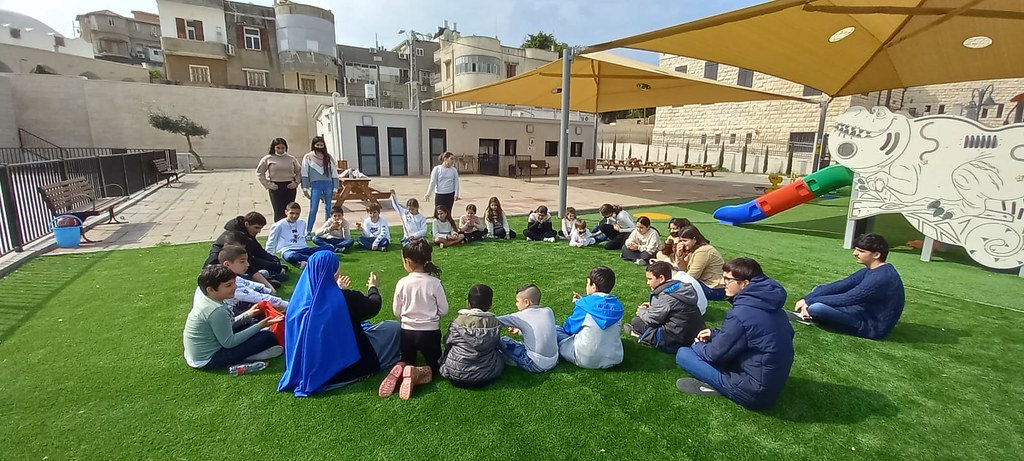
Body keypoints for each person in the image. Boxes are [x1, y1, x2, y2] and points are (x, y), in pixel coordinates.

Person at [675, 258, 794, 410]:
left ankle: (721, 387)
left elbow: (713, 355)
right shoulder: (772, 306)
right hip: (771, 382)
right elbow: (750, 336)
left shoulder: (741, 314)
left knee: (684, 354)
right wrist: (714, 334)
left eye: (727, 279)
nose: (722, 282)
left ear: (744, 284)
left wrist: (696, 344)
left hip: (754, 392)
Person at [277, 251, 402, 397]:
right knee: (393, 328)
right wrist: (373, 287)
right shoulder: (345, 299)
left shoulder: (296, 304)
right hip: (348, 366)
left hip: (308, 367)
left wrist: (338, 290)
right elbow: (373, 305)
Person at [793, 233, 905, 340]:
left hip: (870, 326)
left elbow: (848, 298)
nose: (855, 253)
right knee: (820, 288)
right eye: (856, 249)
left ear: (876, 255)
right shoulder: (872, 270)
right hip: (857, 309)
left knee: (816, 308)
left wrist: (809, 302)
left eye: (861, 251)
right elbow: (841, 285)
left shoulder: (881, 278)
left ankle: (811, 313)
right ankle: (811, 311)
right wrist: (806, 299)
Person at [183, 265, 283, 371]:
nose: (235, 287)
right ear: (211, 290)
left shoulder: (209, 301)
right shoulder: (216, 310)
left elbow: (227, 324)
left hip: (206, 350)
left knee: (251, 321)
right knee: (268, 337)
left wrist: (248, 314)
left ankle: (250, 353)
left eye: (234, 282)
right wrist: (260, 326)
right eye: (228, 285)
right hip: (209, 359)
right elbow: (229, 342)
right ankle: (250, 356)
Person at [385, 239, 448, 399]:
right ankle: (415, 372)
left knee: (408, 359)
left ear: (407, 262)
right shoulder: (435, 283)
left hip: (407, 332)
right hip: (429, 333)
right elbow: (444, 310)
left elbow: (396, 311)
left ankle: (402, 366)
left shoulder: (402, 283)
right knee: (436, 366)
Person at [625, 261, 705, 354]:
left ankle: (643, 337)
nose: (647, 283)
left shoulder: (664, 295)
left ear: (661, 278)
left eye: (650, 279)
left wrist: (641, 311)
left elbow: (652, 319)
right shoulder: (682, 287)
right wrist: (653, 306)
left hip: (676, 337)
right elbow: (674, 307)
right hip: (696, 333)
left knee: (637, 321)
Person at [557, 266, 624, 369]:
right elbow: (600, 309)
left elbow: (569, 328)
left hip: (585, 359)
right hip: (614, 357)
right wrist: (582, 302)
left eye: (588, 283)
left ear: (594, 287)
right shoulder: (618, 306)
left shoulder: (584, 305)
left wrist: (581, 304)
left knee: (556, 330)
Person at [439, 284, 504, 388]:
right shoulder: (495, 323)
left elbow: (447, 342)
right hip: (488, 375)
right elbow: (496, 345)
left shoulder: (457, 322)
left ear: (468, 303)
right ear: (490, 305)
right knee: (499, 354)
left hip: (455, 375)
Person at [204, 212, 286, 284]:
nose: (259, 231)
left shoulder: (246, 235)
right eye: (256, 227)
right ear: (246, 224)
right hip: (231, 278)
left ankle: (263, 280)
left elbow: (257, 251)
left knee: (263, 272)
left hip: (240, 272)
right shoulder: (220, 252)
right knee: (261, 273)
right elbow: (250, 261)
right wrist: (274, 266)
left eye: (260, 228)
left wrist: (273, 260)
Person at [498, 284, 559, 373]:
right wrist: (519, 331)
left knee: (502, 341)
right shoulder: (548, 311)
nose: (516, 304)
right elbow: (539, 331)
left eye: (517, 301)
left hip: (535, 364)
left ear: (526, 302)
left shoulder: (521, 316)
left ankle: (511, 360)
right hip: (554, 360)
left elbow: (494, 321)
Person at [218, 245, 289, 315]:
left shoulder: (235, 278)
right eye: (242, 261)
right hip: (235, 316)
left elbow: (251, 284)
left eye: (247, 260)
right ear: (227, 264)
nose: (247, 264)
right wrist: (287, 305)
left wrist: (268, 291)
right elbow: (259, 297)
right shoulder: (230, 286)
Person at [266, 202, 333, 268]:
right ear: (286, 212)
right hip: (288, 250)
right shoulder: (278, 225)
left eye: (297, 214)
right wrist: (269, 257)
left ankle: (303, 261)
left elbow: (302, 237)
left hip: (304, 249)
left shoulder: (302, 222)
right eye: (292, 213)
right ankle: (313, 259)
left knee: (329, 247)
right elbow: (271, 241)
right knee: (291, 256)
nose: (294, 216)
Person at [300, 135, 340, 234]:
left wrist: (335, 188)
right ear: (313, 145)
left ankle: (328, 230)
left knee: (328, 208)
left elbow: (334, 173)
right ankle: (308, 231)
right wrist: (305, 188)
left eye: (321, 145)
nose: (319, 147)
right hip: (315, 185)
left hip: (328, 184)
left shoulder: (328, 157)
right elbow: (304, 172)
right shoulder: (308, 157)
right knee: (313, 208)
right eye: (317, 145)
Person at [256, 138, 301, 221]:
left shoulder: (291, 159)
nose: (280, 150)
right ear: (274, 147)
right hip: (275, 187)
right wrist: (269, 185)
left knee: (290, 211)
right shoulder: (268, 159)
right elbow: (260, 173)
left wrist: (296, 183)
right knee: (278, 211)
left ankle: (290, 227)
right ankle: (279, 227)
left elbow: (299, 172)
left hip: (289, 187)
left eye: (283, 148)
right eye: (278, 148)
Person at [676, 225, 726, 301]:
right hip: (704, 283)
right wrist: (679, 256)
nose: (682, 244)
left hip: (715, 289)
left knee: (680, 286)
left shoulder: (703, 251)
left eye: (685, 241)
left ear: (694, 240)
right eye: (680, 241)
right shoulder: (692, 249)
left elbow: (692, 277)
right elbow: (684, 270)